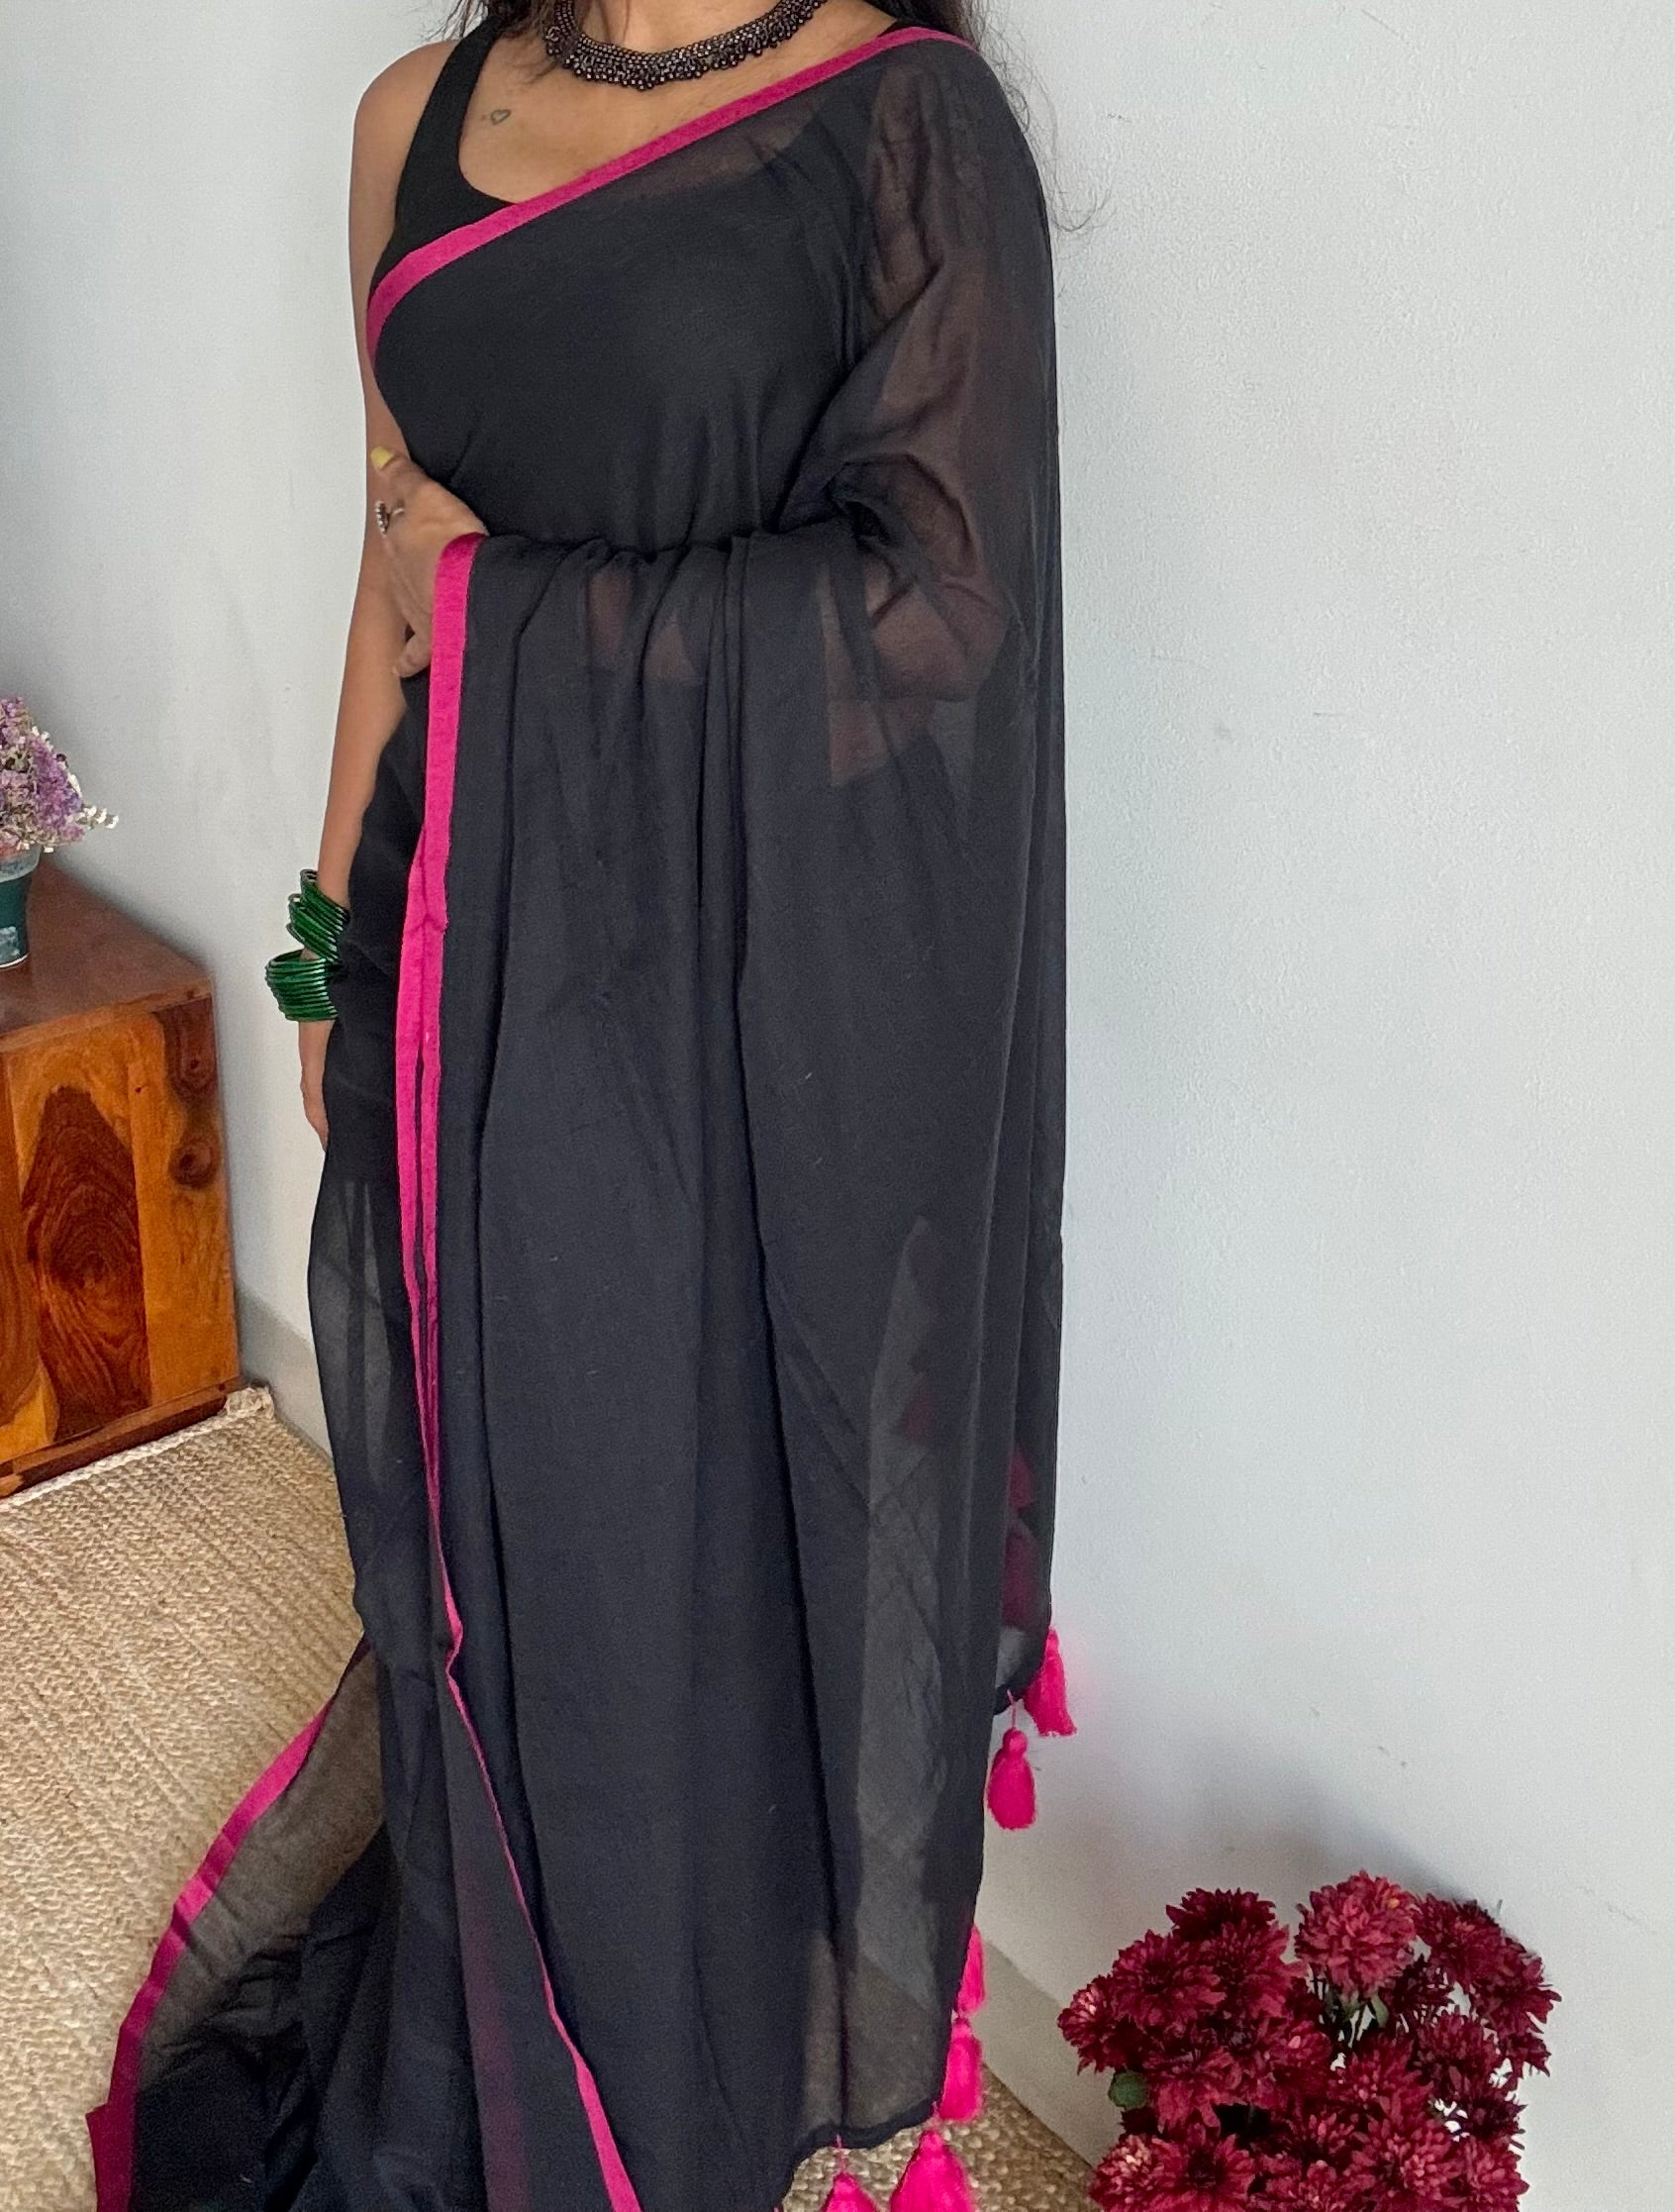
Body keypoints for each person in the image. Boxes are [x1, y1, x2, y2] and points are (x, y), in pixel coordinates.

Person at [91, 5, 1067, 2206]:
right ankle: (500, 2066)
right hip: (451, 945)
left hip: (741, 1004)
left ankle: (675, 2087)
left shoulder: (905, 128)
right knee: (488, 1516)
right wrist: (333, 928)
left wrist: (516, 609)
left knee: (686, 1529)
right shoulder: (410, 123)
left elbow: (941, 619)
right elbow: (386, 564)